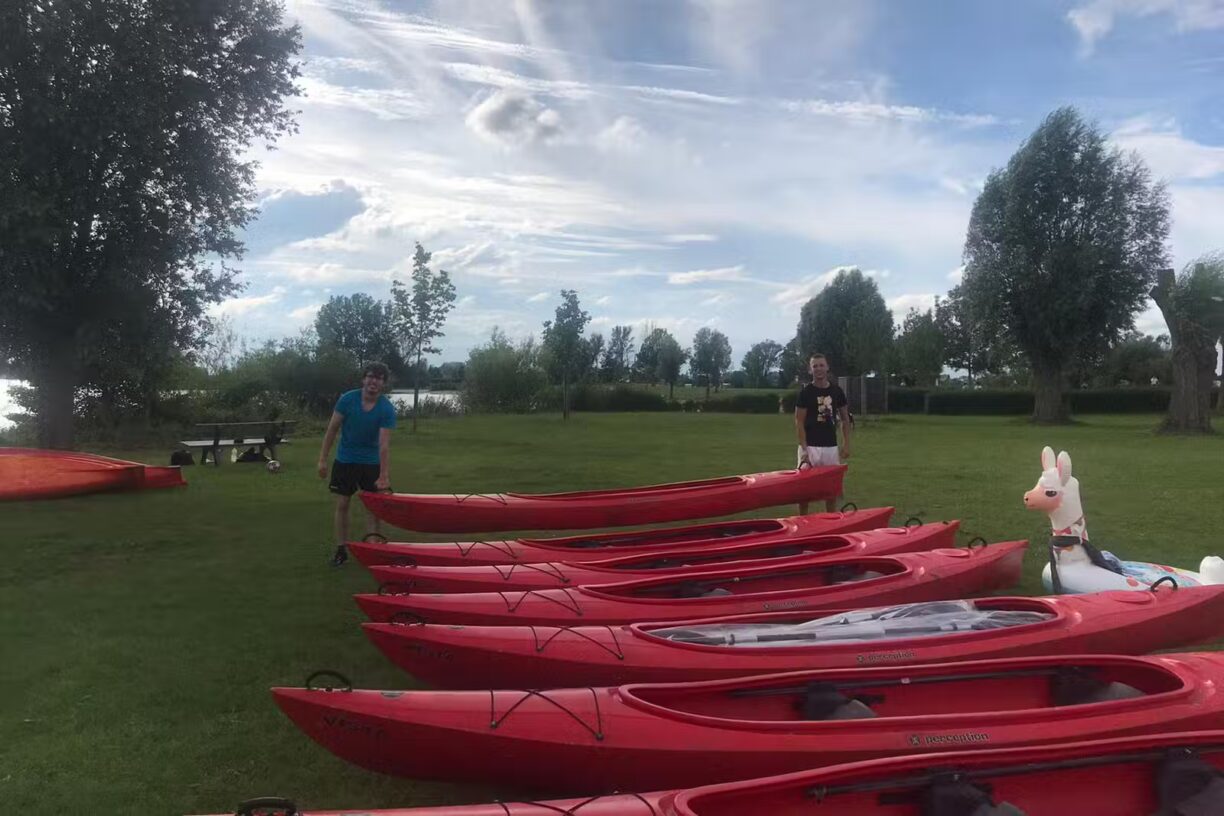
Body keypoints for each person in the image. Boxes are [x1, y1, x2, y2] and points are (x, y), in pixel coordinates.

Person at [318, 362, 396, 566]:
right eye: (371, 376)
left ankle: (372, 549)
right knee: (343, 504)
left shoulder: (386, 408)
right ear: (364, 379)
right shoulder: (347, 400)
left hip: (371, 463)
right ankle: (341, 549)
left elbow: (384, 445)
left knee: (372, 508)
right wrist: (323, 460)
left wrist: (384, 475)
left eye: (379, 378)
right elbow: (332, 430)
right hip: (346, 460)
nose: (374, 381)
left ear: (383, 384)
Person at [794, 353, 850, 514]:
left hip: (830, 447)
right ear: (810, 370)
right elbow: (798, 421)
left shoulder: (836, 391)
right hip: (810, 447)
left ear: (827, 367)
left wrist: (846, 444)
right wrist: (804, 449)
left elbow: (845, 419)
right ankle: (802, 522)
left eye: (821, 365)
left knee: (830, 490)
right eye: (815, 366)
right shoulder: (806, 392)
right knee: (804, 491)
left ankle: (830, 522)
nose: (818, 369)